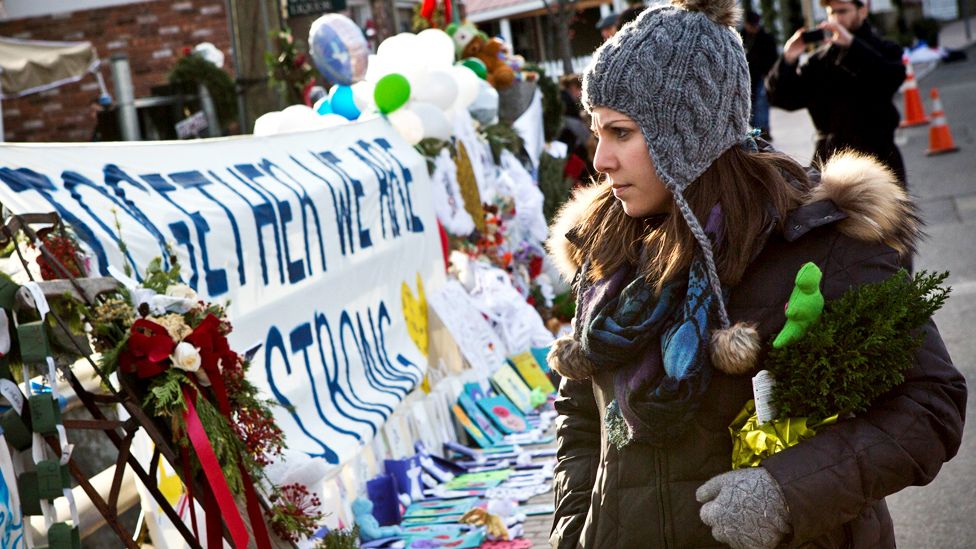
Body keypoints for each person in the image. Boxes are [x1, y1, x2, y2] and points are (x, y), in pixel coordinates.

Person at [545, 1, 966, 548]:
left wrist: (787, 493)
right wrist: (573, 529)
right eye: (598, 130)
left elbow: (930, 406)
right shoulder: (607, 245)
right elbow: (580, 415)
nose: (599, 159)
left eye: (620, 132)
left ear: (687, 135)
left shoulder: (820, 243)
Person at [765, 0, 907, 185]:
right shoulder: (818, 61)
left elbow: (890, 78)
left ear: (862, 11)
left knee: (888, 213)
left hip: (878, 156)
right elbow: (782, 98)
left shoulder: (885, 49)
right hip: (831, 161)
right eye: (832, 12)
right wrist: (788, 59)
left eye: (843, 11)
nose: (837, 18)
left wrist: (851, 44)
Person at [741, 10, 778, 140]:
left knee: (761, 104)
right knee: (748, 105)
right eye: (751, 26)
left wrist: (767, 73)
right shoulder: (741, 36)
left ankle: (762, 131)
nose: (754, 29)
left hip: (762, 76)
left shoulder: (765, 37)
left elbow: (773, 57)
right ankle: (753, 132)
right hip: (746, 77)